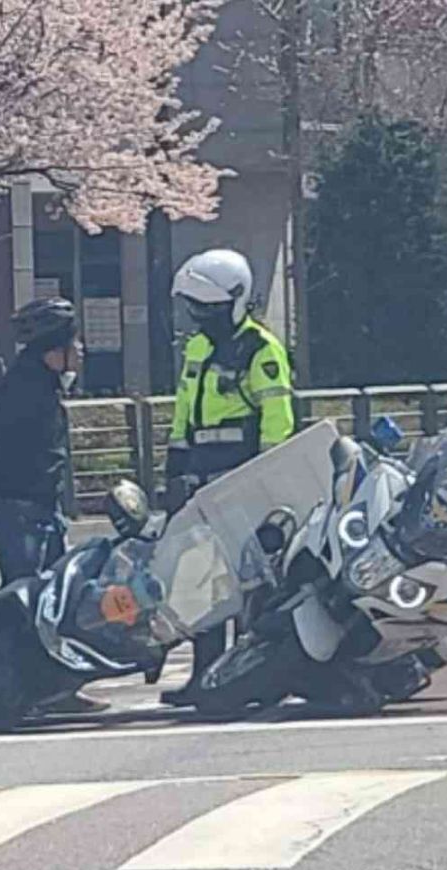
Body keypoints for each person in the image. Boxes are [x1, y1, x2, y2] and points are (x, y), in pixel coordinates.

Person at [0, 297, 106, 716]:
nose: (82, 349)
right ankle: (11, 690)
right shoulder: (21, 388)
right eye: (75, 342)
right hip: (17, 509)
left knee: (56, 603)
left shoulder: (43, 385)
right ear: (57, 348)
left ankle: (57, 692)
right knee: (26, 605)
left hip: (41, 508)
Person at [161, 248, 295, 707]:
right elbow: (184, 413)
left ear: (235, 302)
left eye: (209, 308)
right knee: (204, 585)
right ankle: (205, 676)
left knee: (252, 583)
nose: (200, 316)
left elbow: (278, 419)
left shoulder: (261, 349)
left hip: (244, 484)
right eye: (195, 307)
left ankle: (249, 676)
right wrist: (174, 469)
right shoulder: (198, 347)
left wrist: (268, 478)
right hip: (202, 484)